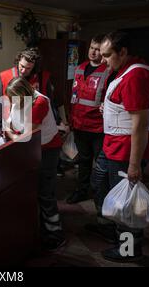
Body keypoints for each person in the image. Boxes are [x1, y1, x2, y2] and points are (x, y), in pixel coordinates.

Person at [87, 31, 149, 262]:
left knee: (126, 201)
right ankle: (111, 228)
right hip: (114, 144)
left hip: (125, 148)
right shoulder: (126, 70)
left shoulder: (135, 76)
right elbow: (126, 107)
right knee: (100, 183)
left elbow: (139, 124)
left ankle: (129, 248)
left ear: (123, 52)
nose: (102, 60)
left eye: (108, 55)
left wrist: (133, 165)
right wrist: (110, 108)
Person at [5, 77, 66, 251]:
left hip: (47, 150)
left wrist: (14, 136)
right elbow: (9, 125)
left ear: (25, 93)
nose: (12, 102)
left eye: (14, 98)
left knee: (46, 193)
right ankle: (40, 229)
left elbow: (28, 137)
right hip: (31, 150)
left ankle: (56, 235)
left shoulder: (39, 103)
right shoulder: (19, 99)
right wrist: (15, 135)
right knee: (35, 190)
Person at [0, 48, 70, 173]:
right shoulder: (5, 76)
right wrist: (0, 126)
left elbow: (50, 103)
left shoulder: (42, 81)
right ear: (18, 61)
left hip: (38, 135)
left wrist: (59, 121)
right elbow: (0, 103)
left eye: (28, 68)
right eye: (21, 66)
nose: (23, 70)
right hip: (16, 127)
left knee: (41, 173)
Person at [66, 34, 111, 204]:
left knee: (101, 164)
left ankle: (101, 195)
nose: (93, 52)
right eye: (92, 48)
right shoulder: (79, 68)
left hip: (98, 127)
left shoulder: (108, 71)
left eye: (98, 49)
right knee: (83, 162)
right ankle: (81, 190)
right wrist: (71, 121)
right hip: (79, 125)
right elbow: (74, 97)